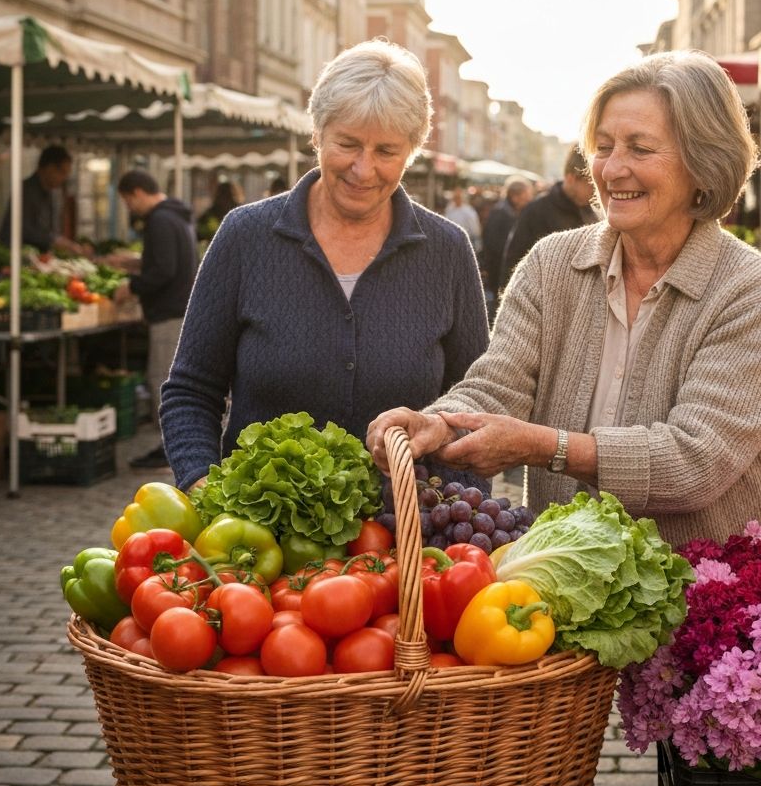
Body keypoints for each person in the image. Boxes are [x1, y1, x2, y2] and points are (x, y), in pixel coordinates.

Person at [367, 51, 761, 786]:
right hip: (573, 578)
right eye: (604, 145)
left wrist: (545, 447)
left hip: (716, 583)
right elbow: (499, 382)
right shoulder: (553, 263)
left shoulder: (752, 292)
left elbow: (697, 458)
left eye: (641, 147)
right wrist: (440, 417)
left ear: (704, 162)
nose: (612, 168)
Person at [159, 39, 489, 493]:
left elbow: (473, 408)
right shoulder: (246, 236)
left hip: (408, 542)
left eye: (387, 151)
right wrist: (201, 483)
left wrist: (457, 515)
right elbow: (191, 391)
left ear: (412, 151)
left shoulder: (446, 250)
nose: (363, 168)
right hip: (263, 538)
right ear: (316, 134)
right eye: (347, 143)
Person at [113, 170, 199, 470]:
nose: (129, 208)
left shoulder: (160, 220)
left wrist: (132, 286)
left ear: (136, 192)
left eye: (126, 200)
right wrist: (135, 262)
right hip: (179, 309)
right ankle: (169, 446)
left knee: (162, 383)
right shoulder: (177, 215)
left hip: (168, 313)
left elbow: (163, 269)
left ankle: (170, 450)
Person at [499, 146, 596, 292]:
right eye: (591, 183)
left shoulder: (594, 212)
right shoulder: (536, 211)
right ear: (571, 179)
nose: (595, 190)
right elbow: (513, 266)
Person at [0, 145, 84, 254]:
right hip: (16, 256)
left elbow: (48, 228)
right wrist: (55, 240)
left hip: (36, 256)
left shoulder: (50, 193)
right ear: (50, 168)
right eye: (62, 172)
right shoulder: (26, 190)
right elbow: (24, 229)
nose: (64, 178)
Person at [480, 176, 533, 317]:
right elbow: (496, 246)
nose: (529, 200)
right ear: (515, 196)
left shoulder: (507, 212)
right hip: (499, 272)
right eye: (526, 196)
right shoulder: (501, 214)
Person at [444, 186, 482, 252]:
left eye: (458, 198)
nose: (456, 200)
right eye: (455, 197)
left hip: (465, 242)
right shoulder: (450, 208)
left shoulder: (469, 211)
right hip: (451, 242)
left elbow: (475, 230)